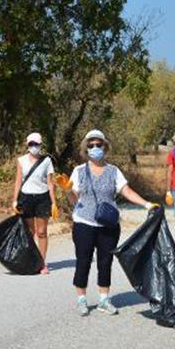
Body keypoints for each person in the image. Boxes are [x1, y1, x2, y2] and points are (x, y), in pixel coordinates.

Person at [63, 130, 158, 316]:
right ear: (85, 149)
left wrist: (147, 204)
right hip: (84, 223)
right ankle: (81, 300)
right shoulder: (78, 171)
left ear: (105, 147)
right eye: (91, 145)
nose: (95, 148)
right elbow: (74, 201)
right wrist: (67, 190)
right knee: (83, 261)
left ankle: (103, 300)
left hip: (109, 225)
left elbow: (127, 191)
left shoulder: (113, 171)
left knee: (105, 262)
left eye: (99, 144)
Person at [12, 133, 58, 275]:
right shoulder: (21, 160)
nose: (34, 147)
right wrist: (14, 200)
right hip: (26, 198)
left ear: (41, 145)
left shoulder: (47, 161)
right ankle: (30, 261)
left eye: (36, 144)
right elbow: (18, 180)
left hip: (42, 198)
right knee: (30, 232)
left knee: (42, 232)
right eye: (31, 144)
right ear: (27, 145)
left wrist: (54, 203)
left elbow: (50, 183)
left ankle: (42, 263)